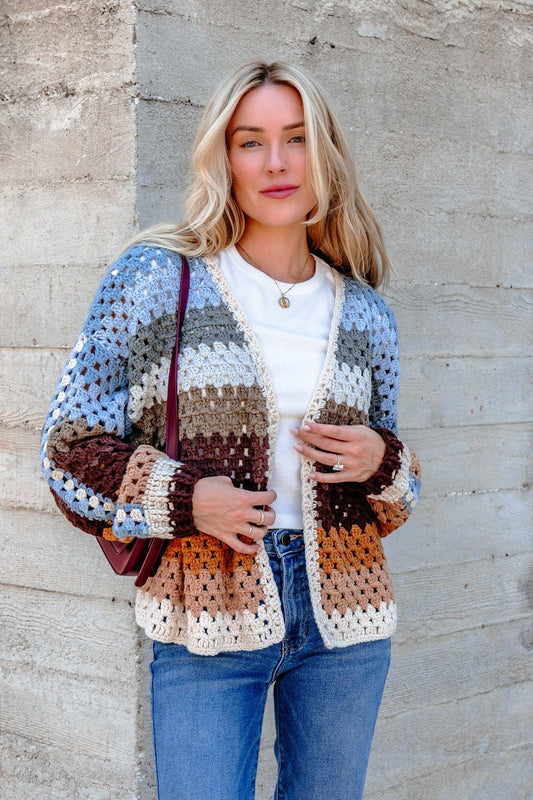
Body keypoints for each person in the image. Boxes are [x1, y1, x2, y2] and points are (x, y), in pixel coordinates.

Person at [41, 61, 421, 800]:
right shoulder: (155, 278)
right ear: (225, 157)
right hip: (205, 613)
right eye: (251, 142)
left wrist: (383, 462)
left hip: (345, 618)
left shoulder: (368, 314)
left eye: (296, 138)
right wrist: (187, 500)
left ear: (326, 153)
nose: (275, 163)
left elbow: (396, 503)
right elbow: (68, 451)